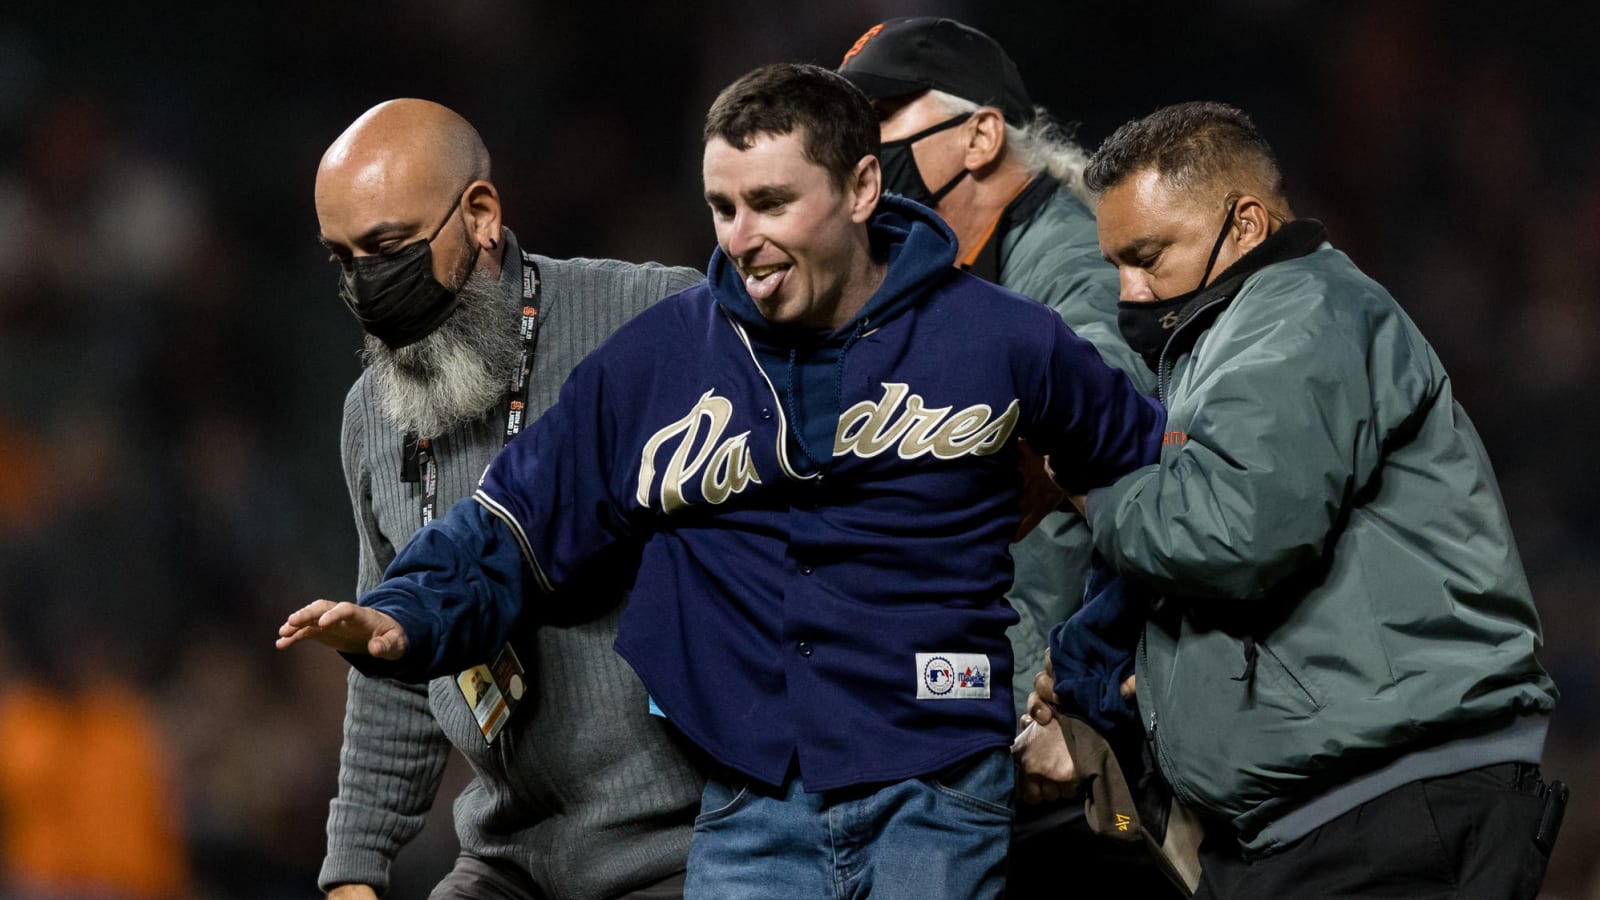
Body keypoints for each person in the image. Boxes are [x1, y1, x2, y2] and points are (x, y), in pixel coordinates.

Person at [279, 65, 1166, 899]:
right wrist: (406, 613)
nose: (742, 238)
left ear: (862, 190)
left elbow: (1151, 489)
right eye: (722, 207)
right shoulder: (667, 354)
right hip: (753, 803)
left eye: (771, 202)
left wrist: (1081, 680)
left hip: (932, 785)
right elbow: (509, 521)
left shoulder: (1000, 338)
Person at [1026, 100, 1562, 898]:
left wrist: (1093, 489)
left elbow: (1229, 535)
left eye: (1149, 256)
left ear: (1244, 224)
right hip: (1323, 814)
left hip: (1392, 807)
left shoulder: (1299, 316)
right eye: (1115, 265)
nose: (1128, 291)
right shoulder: (1230, 340)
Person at [309, 98, 704, 900]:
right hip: (510, 856)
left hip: (686, 839)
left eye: (386, 248)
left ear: (481, 214)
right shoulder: (370, 414)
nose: (365, 285)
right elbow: (388, 654)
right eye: (342, 259)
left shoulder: (653, 318)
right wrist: (353, 870)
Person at [839, 18, 1149, 717]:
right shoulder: (953, 271)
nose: (859, 152)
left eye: (881, 118)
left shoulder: (1070, 252)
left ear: (980, 137)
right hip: (1000, 673)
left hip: (1056, 699)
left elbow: (1113, 394)